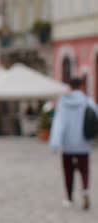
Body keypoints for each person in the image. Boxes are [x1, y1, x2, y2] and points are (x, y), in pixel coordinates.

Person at [49, 78, 98, 210]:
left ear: (69, 86)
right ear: (81, 86)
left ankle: (69, 198)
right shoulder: (88, 101)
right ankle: (85, 190)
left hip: (67, 145)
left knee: (68, 172)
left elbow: (59, 124)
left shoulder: (63, 103)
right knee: (84, 170)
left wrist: (55, 143)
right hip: (84, 143)